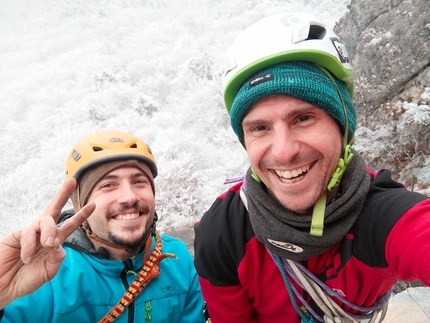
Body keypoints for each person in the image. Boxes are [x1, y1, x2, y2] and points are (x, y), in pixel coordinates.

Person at [194, 12, 430, 323]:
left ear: (342, 125)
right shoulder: (223, 234)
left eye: (303, 118)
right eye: (260, 128)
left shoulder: (381, 214)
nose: (284, 152)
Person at [0, 129, 205, 323]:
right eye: (108, 185)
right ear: (80, 203)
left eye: (139, 181)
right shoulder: (45, 273)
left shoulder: (177, 258)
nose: (129, 197)